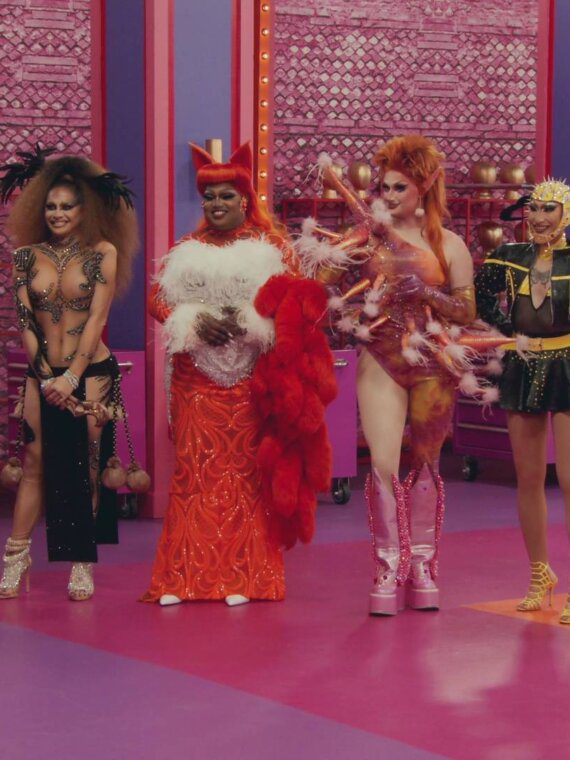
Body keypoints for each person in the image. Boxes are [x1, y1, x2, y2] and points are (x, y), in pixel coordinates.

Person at [142, 142, 333, 607]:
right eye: (209, 197)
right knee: (194, 471)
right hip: (195, 379)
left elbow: (296, 307)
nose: (216, 204)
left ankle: (247, 579)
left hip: (252, 378)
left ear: (245, 200)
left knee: (248, 474)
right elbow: (157, 300)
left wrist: (250, 322)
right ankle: (183, 579)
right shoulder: (186, 250)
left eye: (226, 196)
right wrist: (192, 319)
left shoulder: (273, 249)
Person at [299, 135, 480, 615]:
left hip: (434, 366)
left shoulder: (449, 244)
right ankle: (386, 566)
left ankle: (421, 566)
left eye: (400, 187)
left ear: (423, 188)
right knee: (382, 464)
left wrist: (427, 292)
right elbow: (316, 286)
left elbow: (466, 311)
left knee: (427, 463)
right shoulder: (368, 236)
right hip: (381, 358)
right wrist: (334, 279)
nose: (390, 195)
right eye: (384, 187)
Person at [0, 148, 138, 601]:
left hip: (91, 372)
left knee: (87, 465)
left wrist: (71, 376)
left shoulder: (102, 253)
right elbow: (25, 321)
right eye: (51, 206)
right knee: (35, 462)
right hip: (42, 374)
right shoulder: (26, 257)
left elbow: (97, 318)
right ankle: (16, 557)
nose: (57, 214)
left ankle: (82, 562)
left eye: (67, 206)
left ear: (85, 209)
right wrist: (47, 378)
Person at [475, 179, 570, 624]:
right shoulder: (510, 256)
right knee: (528, 478)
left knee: (569, 478)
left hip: (568, 365)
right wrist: (509, 331)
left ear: (565, 214)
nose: (539, 216)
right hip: (524, 364)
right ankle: (539, 574)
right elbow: (479, 293)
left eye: (550, 209)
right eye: (534, 208)